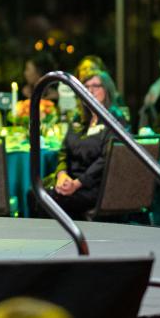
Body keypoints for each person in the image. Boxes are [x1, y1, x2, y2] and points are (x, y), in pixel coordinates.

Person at [42, 70, 127, 219]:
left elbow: (105, 160)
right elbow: (63, 151)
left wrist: (77, 184)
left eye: (96, 86)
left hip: (96, 187)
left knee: (48, 199)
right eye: (86, 87)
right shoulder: (78, 118)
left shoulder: (116, 120)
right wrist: (62, 175)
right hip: (71, 180)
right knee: (35, 192)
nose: (90, 91)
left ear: (107, 90)